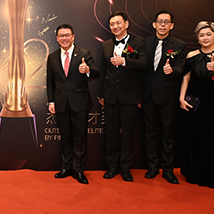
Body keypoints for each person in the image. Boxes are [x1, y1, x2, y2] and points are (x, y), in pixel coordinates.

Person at [179, 21, 214, 189]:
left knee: (213, 137)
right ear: (197, 38)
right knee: (195, 136)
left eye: (208, 34)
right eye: (201, 35)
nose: (205, 38)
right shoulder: (191, 55)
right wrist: (181, 98)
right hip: (194, 101)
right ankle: (194, 172)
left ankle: (212, 175)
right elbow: (186, 78)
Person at [47, 24, 100, 184]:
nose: (64, 38)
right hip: (61, 103)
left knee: (80, 138)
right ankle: (66, 168)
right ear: (57, 38)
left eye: (67, 35)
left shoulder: (84, 53)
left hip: (80, 104)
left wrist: (87, 69)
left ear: (73, 36)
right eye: (61, 36)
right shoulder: (52, 57)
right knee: (66, 138)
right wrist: (51, 101)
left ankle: (79, 171)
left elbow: (97, 73)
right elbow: (50, 82)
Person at [98, 11, 147, 182]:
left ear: (126, 24)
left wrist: (125, 61)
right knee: (111, 133)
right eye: (112, 24)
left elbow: (143, 64)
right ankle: (112, 167)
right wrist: (101, 95)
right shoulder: (105, 45)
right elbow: (103, 71)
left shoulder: (139, 42)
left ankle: (125, 168)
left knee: (128, 134)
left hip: (130, 96)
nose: (115, 26)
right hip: (110, 96)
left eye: (118, 23)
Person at [142, 11, 187, 184]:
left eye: (166, 22)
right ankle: (152, 166)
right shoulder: (145, 43)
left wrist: (172, 70)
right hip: (148, 96)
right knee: (150, 132)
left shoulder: (179, 45)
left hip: (168, 97)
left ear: (171, 25)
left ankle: (168, 169)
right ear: (154, 24)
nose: (162, 24)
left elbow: (182, 68)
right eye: (160, 21)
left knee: (168, 134)